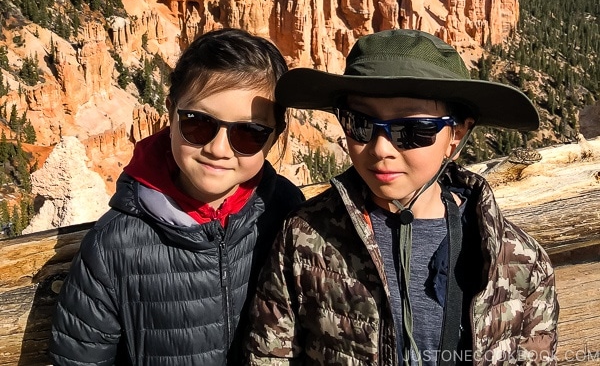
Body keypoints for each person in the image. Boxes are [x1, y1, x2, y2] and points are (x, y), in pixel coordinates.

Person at [246, 28, 558, 366]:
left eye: (413, 130)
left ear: (456, 136)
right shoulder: (305, 238)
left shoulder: (522, 262)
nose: (381, 149)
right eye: (359, 123)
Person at [50, 27, 304, 366]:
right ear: (170, 112)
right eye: (198, 123)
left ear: (274, 136)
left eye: (249, 132)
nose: (218, 149)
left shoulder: (286, 210)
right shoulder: (115, 246)